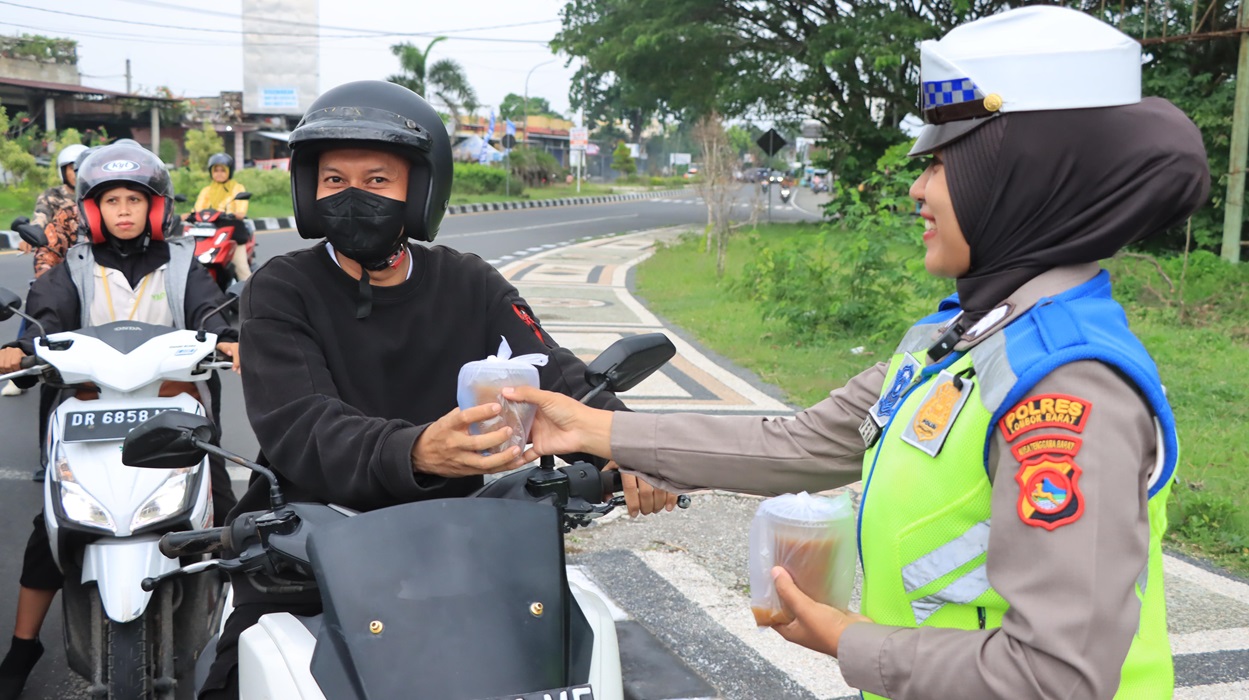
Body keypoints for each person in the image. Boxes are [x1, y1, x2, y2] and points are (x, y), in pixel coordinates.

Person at [504, 7, 1210, 699]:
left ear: (1019, 177)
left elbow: (1056, 677)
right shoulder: (964, 339)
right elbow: (803, 441)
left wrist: (848, 641)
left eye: (941, 164)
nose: (916, 188)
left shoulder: (1066, 384)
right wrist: (591, 429)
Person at [197, 80, 674, 700]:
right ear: (310, 190)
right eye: (334, 181)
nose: (352, 196)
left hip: (459, 549)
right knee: (240, 681)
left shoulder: (468, 282)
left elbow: (555, 373)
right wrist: (417, 450)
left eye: (376, 181)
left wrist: (628, 444)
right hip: (308, 552)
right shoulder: (282, 288)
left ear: (420, 192)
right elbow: (302, 423)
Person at [0, 140, 242, 700]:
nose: (124, 211)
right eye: (112, 201)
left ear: (156, 207)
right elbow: (43, 314)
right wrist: (23, 346)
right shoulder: (73, 268)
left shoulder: (184, 264)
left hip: (173, 413)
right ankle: (23, 644)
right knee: (50, 529)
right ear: (92, 210)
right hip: (91, 414)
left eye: (135, 199)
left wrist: (230, 340)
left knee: (230, 516)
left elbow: (209, 310)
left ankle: (240, 630)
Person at [3, 144, 89, 398]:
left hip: (97, 267)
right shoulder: (53, 197)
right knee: (38, 300)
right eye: (72, 168)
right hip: (61, 264)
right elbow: (40, 218)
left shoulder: (101, 194)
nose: (77, 172)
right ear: (63, 171)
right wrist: (33, 235)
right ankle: (22, 361)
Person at [193, 152, 252, 281]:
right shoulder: (206, 190)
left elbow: (241, 212)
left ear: (229, 172)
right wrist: (190, 215)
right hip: (210, 232)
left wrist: (233, 214)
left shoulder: (237, 188)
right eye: (216, 170)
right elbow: (198, 209)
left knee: (242, 268)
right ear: (211, 172)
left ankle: (250, 296)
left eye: (223, 170)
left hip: (232, 232)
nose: (219, 173)